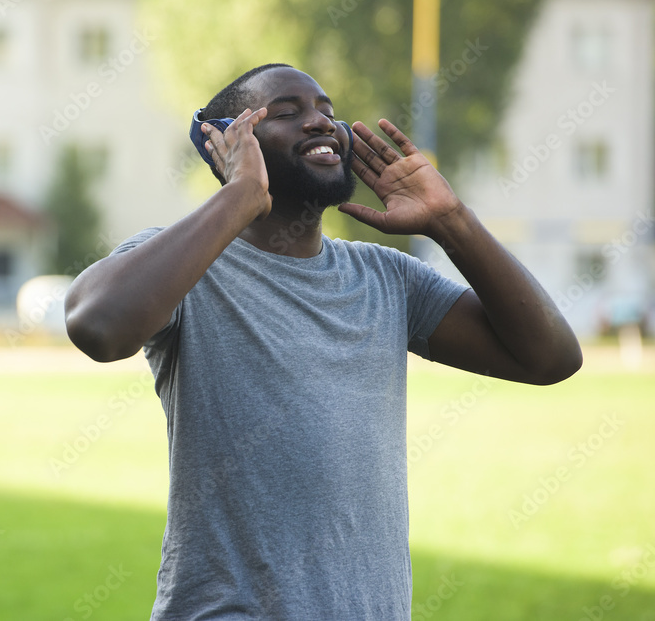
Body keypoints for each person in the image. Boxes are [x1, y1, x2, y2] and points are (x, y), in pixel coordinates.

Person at [63, 63, 582, 620]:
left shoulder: (387, 277)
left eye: (328, 113)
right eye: (287, 113)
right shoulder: (186, 264)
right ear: (229, 144)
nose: (320, 124)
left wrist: (451, 221)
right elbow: (99, 327)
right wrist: (242, 194)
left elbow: (550, 357)